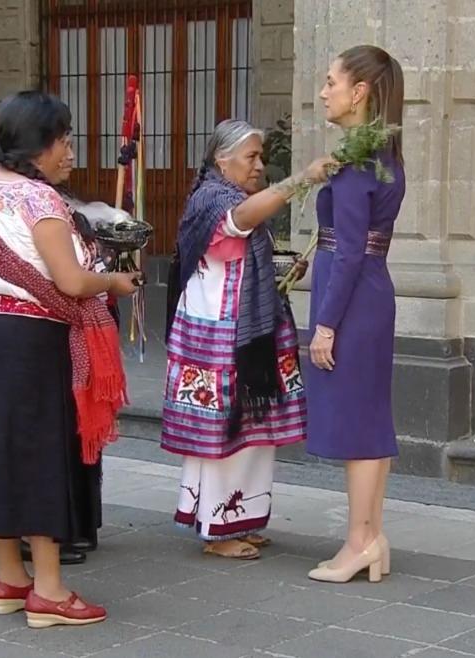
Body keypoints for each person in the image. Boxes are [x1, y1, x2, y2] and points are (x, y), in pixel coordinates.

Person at [0, 90, 138, 628]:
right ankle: (51, 590)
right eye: (64, 141)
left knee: (2, 450)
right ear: (39, 145)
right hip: (36, 339)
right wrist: (115, 280)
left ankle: (10, 577)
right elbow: (71, 281)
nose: (70, 153)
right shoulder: (41, 201)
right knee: (41, 455)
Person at [161, 119, 333, 559]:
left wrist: (278, 272)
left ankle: (243, 518)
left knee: (255, 429)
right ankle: (218, 528)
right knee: (225, 431)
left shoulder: (235, 196)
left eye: (261, 157)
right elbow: (238, 223)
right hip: (215, 332)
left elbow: (240, 258)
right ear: (222, 159)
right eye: (250, 156)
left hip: (247, 328)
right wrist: (302, 179)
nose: (259, 165)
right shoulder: (213, 198)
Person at [304, 45, 406, 584]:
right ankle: (370, 536)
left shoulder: (357, 163)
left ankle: (361, 541)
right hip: (370, 291)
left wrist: (325, 323)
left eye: (330, 81)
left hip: (353, 297)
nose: (324, 92)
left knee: (359, 427)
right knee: (369, 420)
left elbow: (346, 251)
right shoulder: (381, 156)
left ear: (359, 91)